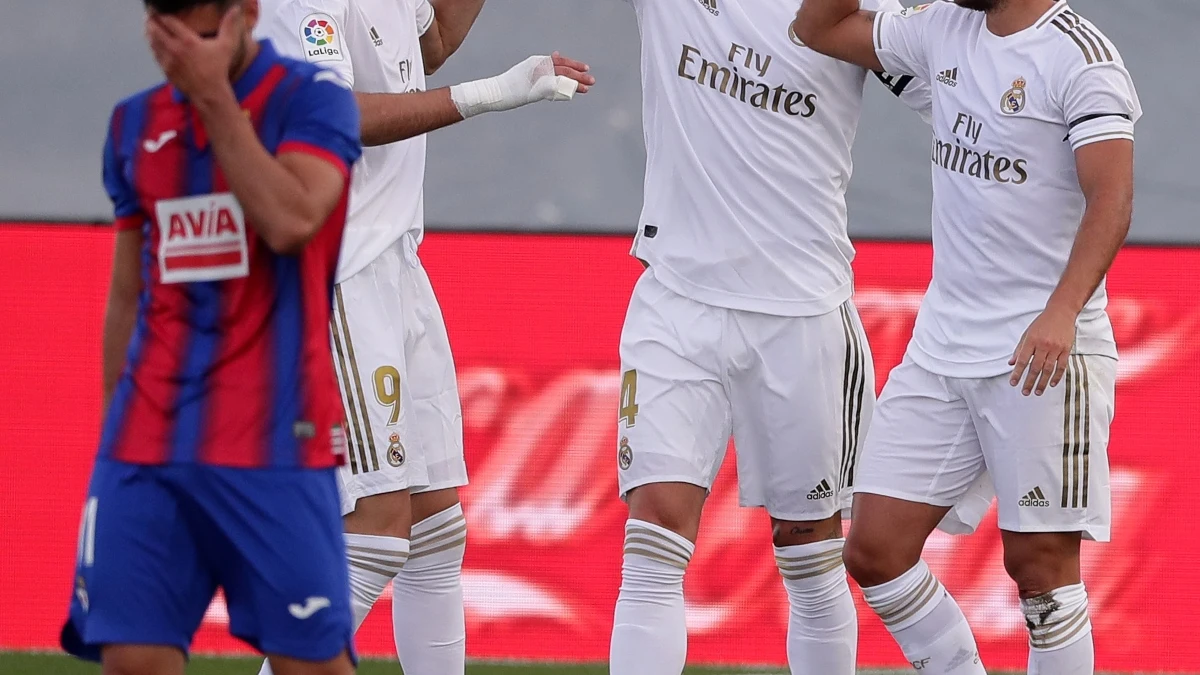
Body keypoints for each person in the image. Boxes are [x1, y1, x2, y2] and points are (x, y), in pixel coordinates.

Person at [793, 0, 1140, 673]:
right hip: (942, 346)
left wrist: (1062, 309)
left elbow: (1113, 198)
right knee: (874, 549)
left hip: (1043, 353)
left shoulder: (1079, 57)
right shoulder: (941, 28)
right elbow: (819, 27)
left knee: (1041, 569)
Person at [253, 1, 594, 672]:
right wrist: (489, 95)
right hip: (336, 265)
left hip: (397, 259)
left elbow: (426, 45)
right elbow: (335, 114)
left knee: (436, 530)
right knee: (376, 533)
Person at [607, 1, 931, 673]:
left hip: (803, 310)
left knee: (809, 552)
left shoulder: (859, 7)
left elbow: (959, 94)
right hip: (676, 296)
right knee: (654, 535)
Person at [60, 1, 363, 674]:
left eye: (200, 36)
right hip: (148, 446)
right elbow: (127, 293)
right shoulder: (134, 124)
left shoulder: (313, 103)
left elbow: (291, 219)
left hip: (277, 444)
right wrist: (116, 434)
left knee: (311, 665)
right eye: (164, 32)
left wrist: (215, 101)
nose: (182, 53)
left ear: (247, 13)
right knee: (133, 659)